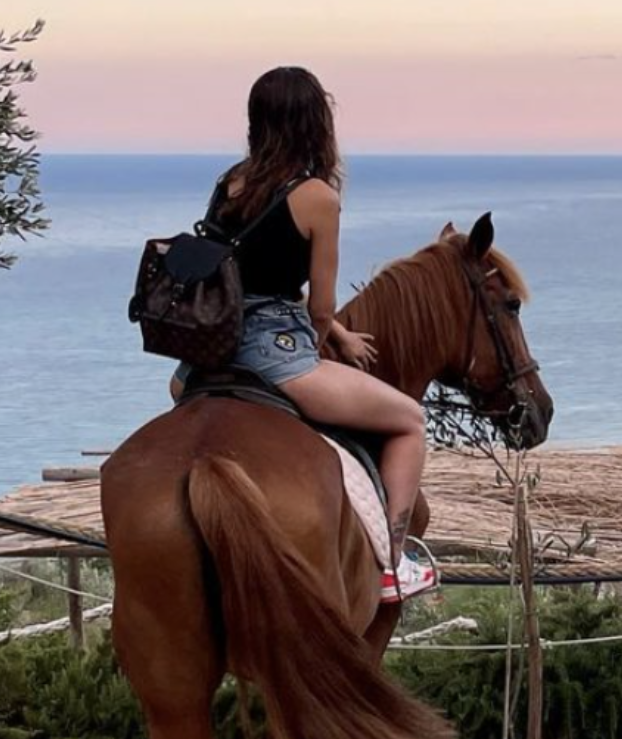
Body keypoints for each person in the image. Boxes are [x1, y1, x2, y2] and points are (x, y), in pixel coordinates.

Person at [170, 66, 437, 600]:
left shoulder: (231, 181)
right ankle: (392, 561)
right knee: (410, 420)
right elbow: (319, 305)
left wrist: (337, 331)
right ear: (316, 121)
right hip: (278, 356)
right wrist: (326, 333)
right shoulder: (317, 197)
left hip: (207, 356)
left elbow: (237, 275)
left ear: (258, 121)